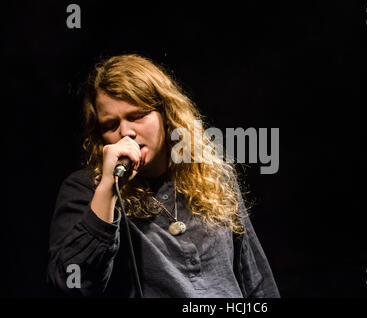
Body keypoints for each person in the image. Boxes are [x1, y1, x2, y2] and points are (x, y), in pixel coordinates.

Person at [47, 54, 280, 298]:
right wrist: (108, 189)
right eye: (110, 125)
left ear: (166, 114)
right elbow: (70, 284)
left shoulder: (213, 176)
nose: (126, 132)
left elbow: (256, 282)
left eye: (136, 116)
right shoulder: (86, 189)